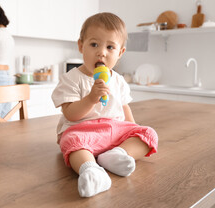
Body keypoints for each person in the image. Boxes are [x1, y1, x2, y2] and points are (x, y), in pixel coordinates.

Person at [51, 12, 158, 198]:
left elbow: (125, 108)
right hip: (82, 132)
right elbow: (70, 114)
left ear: (120, 53)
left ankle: (117, 154)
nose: (102, 52)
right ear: (80, 46)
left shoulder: (118, 80)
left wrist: (133, 129)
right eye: (94, 44)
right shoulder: (71, 79)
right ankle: (91, 170)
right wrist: (91, 98)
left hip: (113, 133)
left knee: (148, 134)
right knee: (71, 142)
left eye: (110, 47)